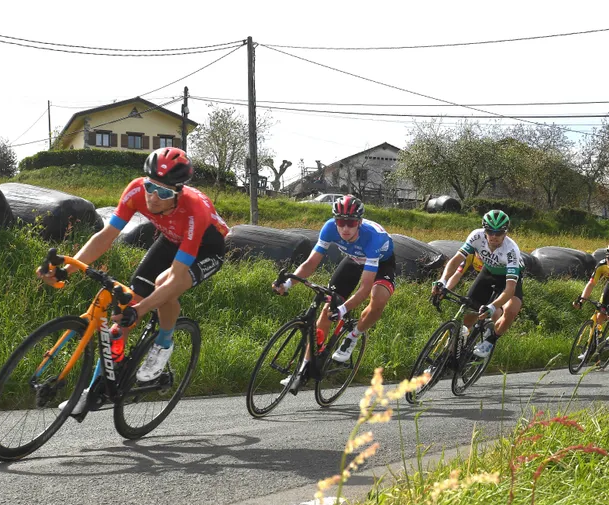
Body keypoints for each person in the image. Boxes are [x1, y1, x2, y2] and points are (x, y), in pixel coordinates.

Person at [38, 148, 228, 413]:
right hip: (170, 239)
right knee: (123, 312)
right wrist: (68, 267)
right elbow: (106, 236)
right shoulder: (135, 191)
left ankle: (163, 343)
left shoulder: (195, 209)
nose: (153, 196)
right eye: (151, 186)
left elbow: (175, 276)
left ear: (179, 191)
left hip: (206, 248)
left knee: (163, 286)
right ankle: (96, 387)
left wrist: (141, 310)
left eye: (163, 193)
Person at [275, 195, 394, 366]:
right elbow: (310, 263)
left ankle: (353, 336)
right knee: (326, 310)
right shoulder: (329, 228)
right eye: (340, 222)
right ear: (335, 220)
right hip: (353, 260)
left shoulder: (373, 237)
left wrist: (343, 310)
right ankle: (305, 367)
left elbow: (365, 287)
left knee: (378, 299)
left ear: (359, 222)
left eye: (351, 223)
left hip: (381, 264)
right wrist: (287, 284)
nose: (345, 228)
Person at [435, 209, 524, 358]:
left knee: (510, 312)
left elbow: (510, 288)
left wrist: (493, 306)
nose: (494, 236)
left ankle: (491, 339)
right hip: (487, 273)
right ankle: (450, 354)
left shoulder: (511, 250)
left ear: (506, 232)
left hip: (507, 279)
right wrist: (442, 281)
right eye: (490, 232)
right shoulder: (477, 236)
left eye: (499, 233)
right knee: (469, 312)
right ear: (484, 230)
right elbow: (456, 260)